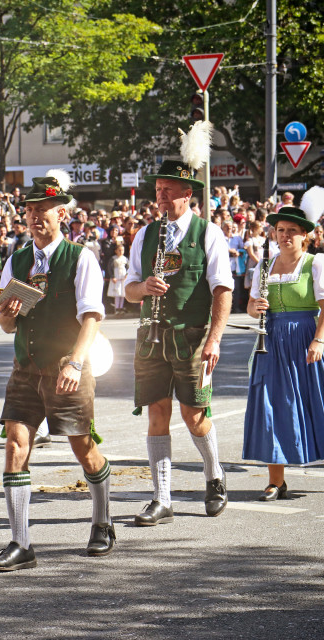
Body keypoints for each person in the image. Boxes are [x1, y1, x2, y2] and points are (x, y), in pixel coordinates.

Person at [0, 169, 114, 572]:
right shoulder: (17, 259)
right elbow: (7, 325)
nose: (36, 216)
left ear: (63, 213)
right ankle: (21, 542)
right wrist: (6, 314)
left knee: (82, 446)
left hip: (66, 365)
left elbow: (92, 317)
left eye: (44, 209)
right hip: (25, 365)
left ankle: (103, 521)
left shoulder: (81, 257)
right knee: (14, 444)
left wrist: (76, 362)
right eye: (31, 209)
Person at [125, 159, 233, 526]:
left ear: (188, 194)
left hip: (192, 336)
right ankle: (162, 498)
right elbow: (128, 289)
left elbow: (222, 290)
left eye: (168, 190)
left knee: (194, 415)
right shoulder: (145, 234)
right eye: (158, 190)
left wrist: (214, 339)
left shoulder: (208, 233)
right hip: (151, 336)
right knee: (157, 412)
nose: (161, 196)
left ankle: (214, 476)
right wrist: (143, 288)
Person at [242, 204, 324, 500]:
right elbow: (251, 308)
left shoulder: (315, 264)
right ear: (274, 234)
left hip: (305, 339)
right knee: (271, 406)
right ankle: (276, 481)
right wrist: (256, 308)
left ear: (305, 235)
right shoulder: (263, 268)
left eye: (292, 231)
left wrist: (319, 341)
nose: (285, 235)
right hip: (272, 341)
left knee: (316, 403)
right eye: (281, 230)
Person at [107, 242, 128, 314]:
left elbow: (128, 268)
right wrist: (112, 277)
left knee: (122, 293)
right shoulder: (113, 259)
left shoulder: (125, 259)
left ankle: (121, 308)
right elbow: (110, 268)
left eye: (122, 250)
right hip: (116, 276)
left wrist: (126, 275)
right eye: (119, 250)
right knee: (117, 293)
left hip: (123, 277)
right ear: (116, 251)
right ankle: (116, 308)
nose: (121, 252)